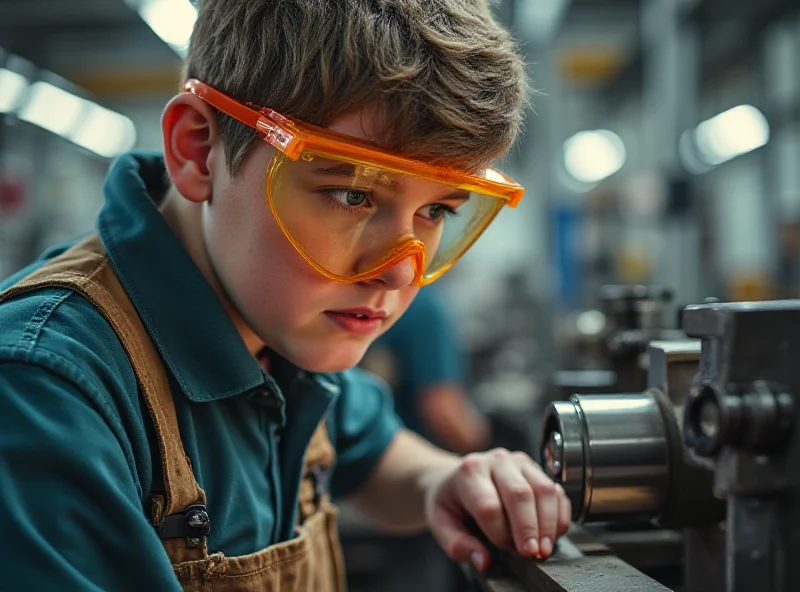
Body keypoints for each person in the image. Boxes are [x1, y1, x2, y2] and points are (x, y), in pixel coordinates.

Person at [0, 1, 572, 590]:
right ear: (199, 150)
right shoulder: (44, 391)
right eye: (352, 195)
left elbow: (375, 453)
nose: (400, 274)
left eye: (435, 211)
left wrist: (444, 482)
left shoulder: (278, 326)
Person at [363, 285, 491, 453]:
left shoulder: (364, 301)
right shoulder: (421, 307)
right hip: (402, 456)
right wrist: (484, 446)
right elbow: (441, 408)